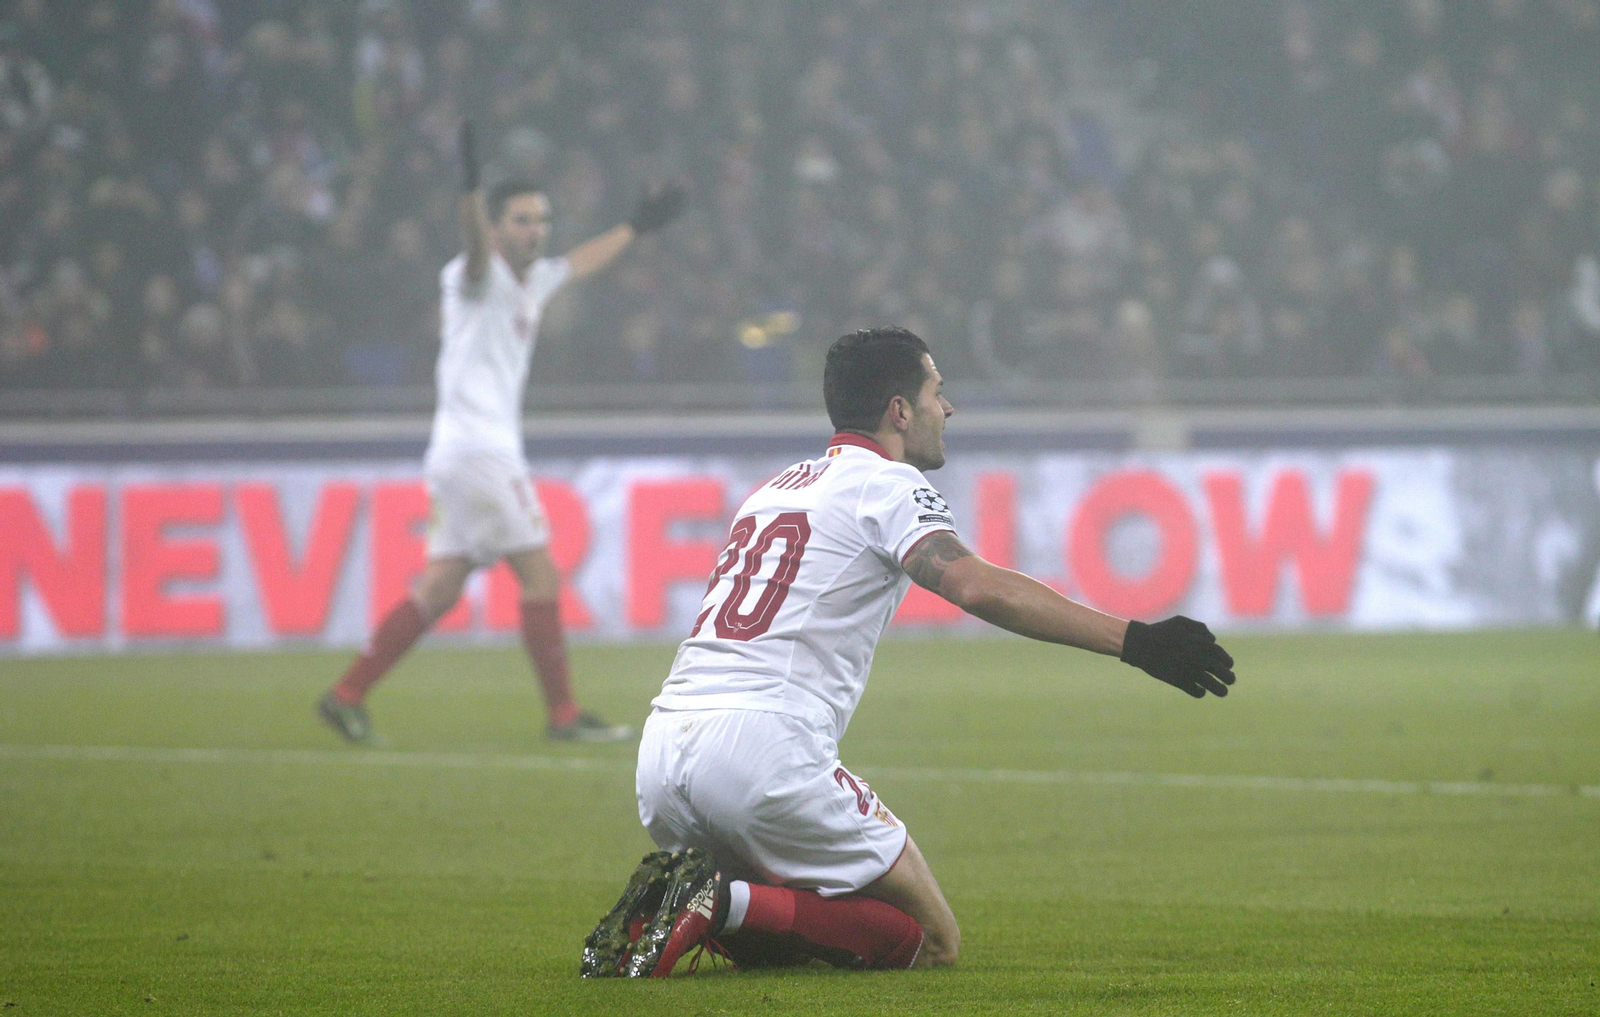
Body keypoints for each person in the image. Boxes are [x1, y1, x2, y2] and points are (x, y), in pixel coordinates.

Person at [584, 326, 1237, 977]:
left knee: (795, 929)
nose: (946, 409)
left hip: (664, 751)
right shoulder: (888, 484)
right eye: (937, 392)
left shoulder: (772, 490)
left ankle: (700, 903)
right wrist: (1134, 640)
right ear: (900, 409)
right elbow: (975, 584)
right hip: (764, 750)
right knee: (929, 939)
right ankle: (717, 900)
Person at [318, 123, 685, 744]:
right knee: (542, 578)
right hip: (480, 454)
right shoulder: (471, 276)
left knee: (439, 587)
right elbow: (472, 240)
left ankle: (346, 693)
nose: (535, 230)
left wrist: (637, 226)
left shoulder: (532, 279)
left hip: (464, 455)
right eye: (520, 220)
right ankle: (564, 716)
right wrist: (467, 190)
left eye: (541, 219)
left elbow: (578, 263)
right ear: (494, 228)